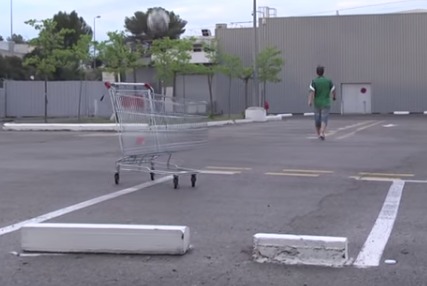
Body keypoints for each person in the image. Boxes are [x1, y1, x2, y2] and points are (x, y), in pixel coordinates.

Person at [308, 65, 336, 140]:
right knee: (324, 118)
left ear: (316, 72)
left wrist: (310, 101)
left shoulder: (314, 81)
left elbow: (311, 92)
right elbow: (333, 89)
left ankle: (318, 134)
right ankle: (322, 132)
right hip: (326, 102)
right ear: (323, 72)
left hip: (317, 103)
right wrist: (334, 97)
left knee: (317, 118)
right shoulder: (328, 81)